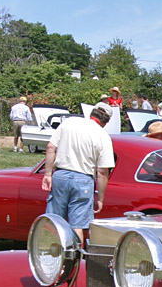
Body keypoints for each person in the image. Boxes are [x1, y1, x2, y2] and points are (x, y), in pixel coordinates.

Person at [42, 102, 115, 242]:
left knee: (55, 222)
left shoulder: (70, 122)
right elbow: (102, 172)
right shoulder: (103, 136)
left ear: (91, 113)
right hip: (84, 179)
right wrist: (100, 198)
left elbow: (51, 147)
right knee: (77, 226)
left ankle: (52, 256)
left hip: (61, 175)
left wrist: (47, 174)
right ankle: (75, 260)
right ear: (106, 122)